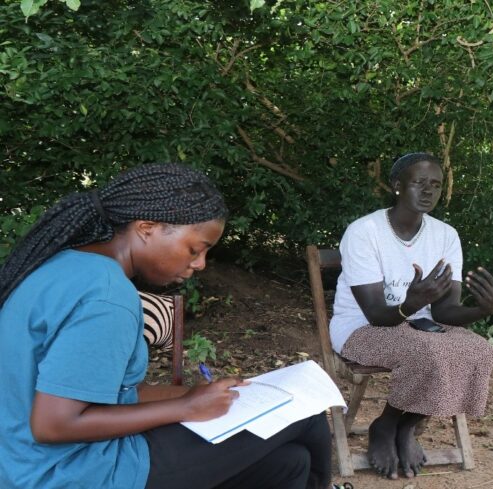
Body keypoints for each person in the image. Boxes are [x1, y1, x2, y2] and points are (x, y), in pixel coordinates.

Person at [0, 163, 335, 489]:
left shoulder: (65, 266)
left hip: (24, 463)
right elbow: (53, 424)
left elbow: (108, 393)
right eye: (195, 249)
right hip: (73, 472)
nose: (200, 264)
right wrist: (184, 408)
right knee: (305, 414)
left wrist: (191, 395)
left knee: (288, 464)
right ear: (147, 229)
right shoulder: (107, 298)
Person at [330, 152, 493, 479]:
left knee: (481, 350)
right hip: (362, 328)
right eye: (419, 182)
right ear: (397, 185)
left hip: (423, 325)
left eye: (436, 185)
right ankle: (386, 426)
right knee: (427, 352)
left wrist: (480, 309)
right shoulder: (364, 231)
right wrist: (411, 303)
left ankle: (404, 425)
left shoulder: (445, 235)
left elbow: (444, 311)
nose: (428, 191)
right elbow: (375, 314)